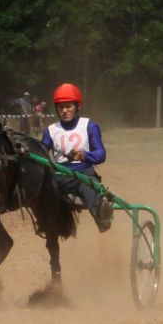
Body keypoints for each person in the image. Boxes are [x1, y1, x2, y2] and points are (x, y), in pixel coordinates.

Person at [41, 82, 113, 230]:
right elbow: (41, 153)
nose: (65, 111)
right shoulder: (50, 130)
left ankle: (101, 216)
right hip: (60, 175)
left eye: (69, 106)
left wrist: (84, 156)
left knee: (89, 185)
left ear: (77, 106)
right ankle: (46, 222)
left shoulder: (89, 126)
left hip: (84, 173)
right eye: (61, 107)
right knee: (44, 187)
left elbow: (101, 154)